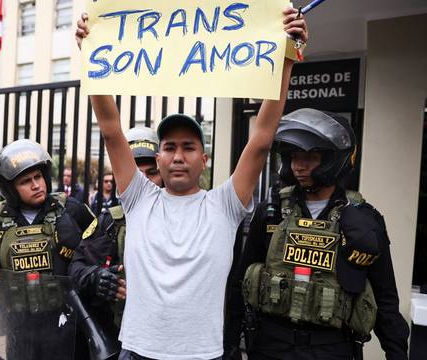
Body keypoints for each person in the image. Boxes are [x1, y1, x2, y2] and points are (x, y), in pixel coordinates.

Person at [76, 8, 307, 359]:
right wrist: (91, 54)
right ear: (158, 159)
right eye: (169, 147)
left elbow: (261, 138)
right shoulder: (139, 198)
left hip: (203, 354)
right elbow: (110, 128)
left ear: (204, 159)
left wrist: (287, 57)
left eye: (189, 147)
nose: (178, 156)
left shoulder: (225, 205)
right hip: (137, 351)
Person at [224, 108, 410, 360]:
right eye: (293, 157)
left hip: (331, 349)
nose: (298, 166)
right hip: (270, 346)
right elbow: (238, 282)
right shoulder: (272, 212)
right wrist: (231, 346)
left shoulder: (364, 221)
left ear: (334, 159)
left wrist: (396, 353)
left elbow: (385, 299)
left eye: (309, 157)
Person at [0, 139, 97, 359]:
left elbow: (98, 250)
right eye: (25, 181)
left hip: (66, 320)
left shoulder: (72, 210)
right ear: (11, 189)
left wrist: (78, 245)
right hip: (20, 323)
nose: (36, 185)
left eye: (38, 177)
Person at [69, 127, 162, 352]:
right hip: (122, 336)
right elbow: (77, 268)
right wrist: (96, 277)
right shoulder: (110, 221)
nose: (145, 183)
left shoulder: (184, 216)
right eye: (136, 174)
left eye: (152, 173)